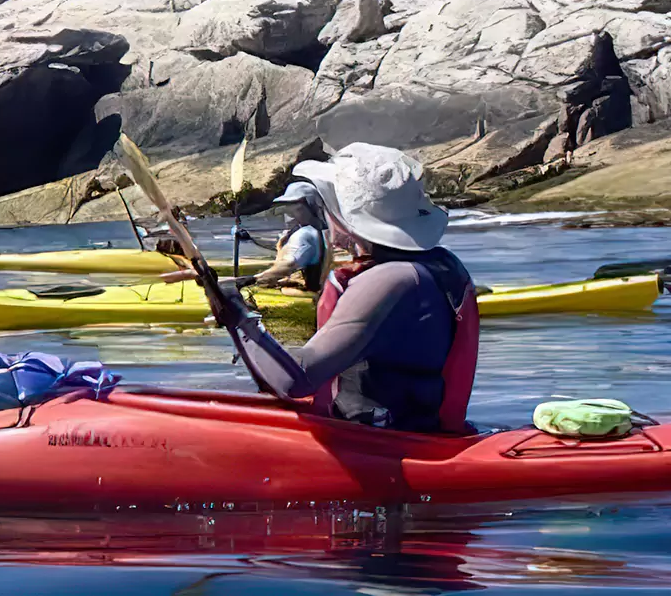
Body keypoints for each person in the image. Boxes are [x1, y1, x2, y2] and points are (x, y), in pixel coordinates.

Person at [217, 143, 481, 435]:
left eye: (327, 206)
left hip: (386, 446)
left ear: (345, 215)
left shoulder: (390, 280)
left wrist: (239, 317)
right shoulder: (433, 265)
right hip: (411, 433)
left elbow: (294, 381)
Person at [157, 181, 332, 289]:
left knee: (213, 281)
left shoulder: (305, 234)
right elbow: (287, 259)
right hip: (298, 288)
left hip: (304, 294)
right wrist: (250, 239)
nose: (289, 212)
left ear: (310, 207)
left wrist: (252, 280)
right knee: (209, 278)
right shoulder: (308, 232)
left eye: (295, 207)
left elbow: (287, 266)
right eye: (287, 207)